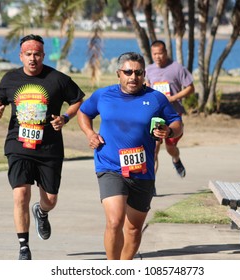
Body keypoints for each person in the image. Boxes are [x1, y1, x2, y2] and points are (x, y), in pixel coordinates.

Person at [77, 52, 183, 260]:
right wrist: (90, 133)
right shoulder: (103, 95)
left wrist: (168, 131)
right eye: (128, 72)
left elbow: (177, 123)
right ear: (118, 73)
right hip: (109, 166)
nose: (133, 77)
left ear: (144, 74)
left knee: (133, 229)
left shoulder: (155, 98)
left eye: (138, 72)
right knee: (115, 221)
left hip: (141, 171)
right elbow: (84, 112)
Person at [0, 34, 85, 260]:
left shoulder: (58, 79)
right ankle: (24, 246)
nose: (33, 58)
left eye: (37, 54)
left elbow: (78, 100)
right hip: (18, 144)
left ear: (43, 55)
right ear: (21, 56)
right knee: (21, 193)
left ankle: (41, 212)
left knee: (50, 199)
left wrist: (65, 118)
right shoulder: (10, 78)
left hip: (49, 148)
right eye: (28, 54)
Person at [145, 40, 195, 182]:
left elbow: (190, 88)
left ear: (165, 52)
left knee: (170, 147)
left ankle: (176, 159)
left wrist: (172, 98)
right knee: (154, 149)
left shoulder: (177, 68)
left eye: (160, 53)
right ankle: (151, 185)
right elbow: (147, 86)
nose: (157, 57)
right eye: (154, 54)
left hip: (173, 114)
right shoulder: (149, 70)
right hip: (155, 115)